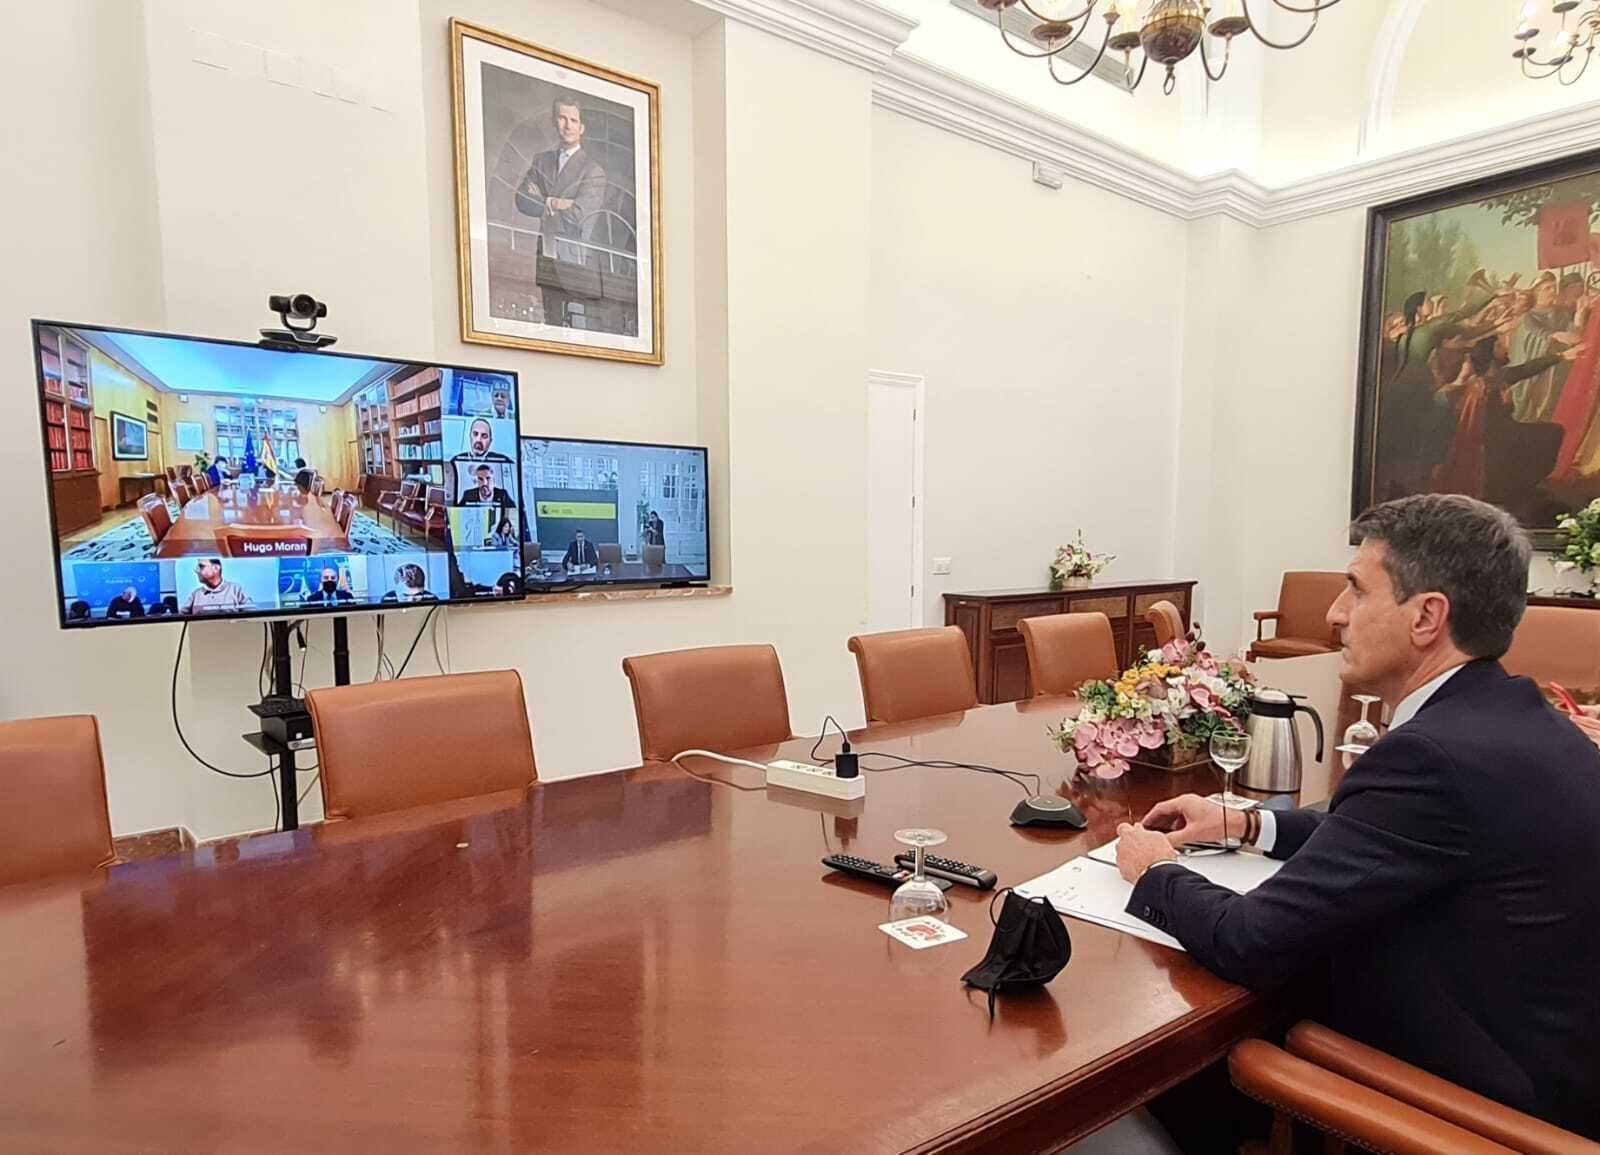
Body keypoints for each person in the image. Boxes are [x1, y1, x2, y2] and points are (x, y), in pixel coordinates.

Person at [1115, 494, 1600, 1139]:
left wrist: (1156, 872)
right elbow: (1385, 838)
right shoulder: (1519, 719)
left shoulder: (1430, 757)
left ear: (1426, 616)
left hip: (1473, 1108)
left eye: (1356, 589)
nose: (1334, 613)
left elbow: (1249, 941)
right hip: (1555, 1066)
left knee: (1177, 1059)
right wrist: (1248, 825)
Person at [513, 93, 607, 259]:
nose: (568, 126)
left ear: (581, 128)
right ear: (554, 123)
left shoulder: (593, 171)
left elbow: (578, 215)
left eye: (573, 120)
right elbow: (522, 199)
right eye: (562, 118)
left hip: (573, 258)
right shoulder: (541, 161)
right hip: (544, 252)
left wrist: (542, 199)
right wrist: (556, 203)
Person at [182, 558, 253, 613]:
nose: (196, 570)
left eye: (201, 566)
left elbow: (252, 615)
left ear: (216, 568)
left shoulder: (236, 590)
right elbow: (181, 616)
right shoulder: (195, 594)